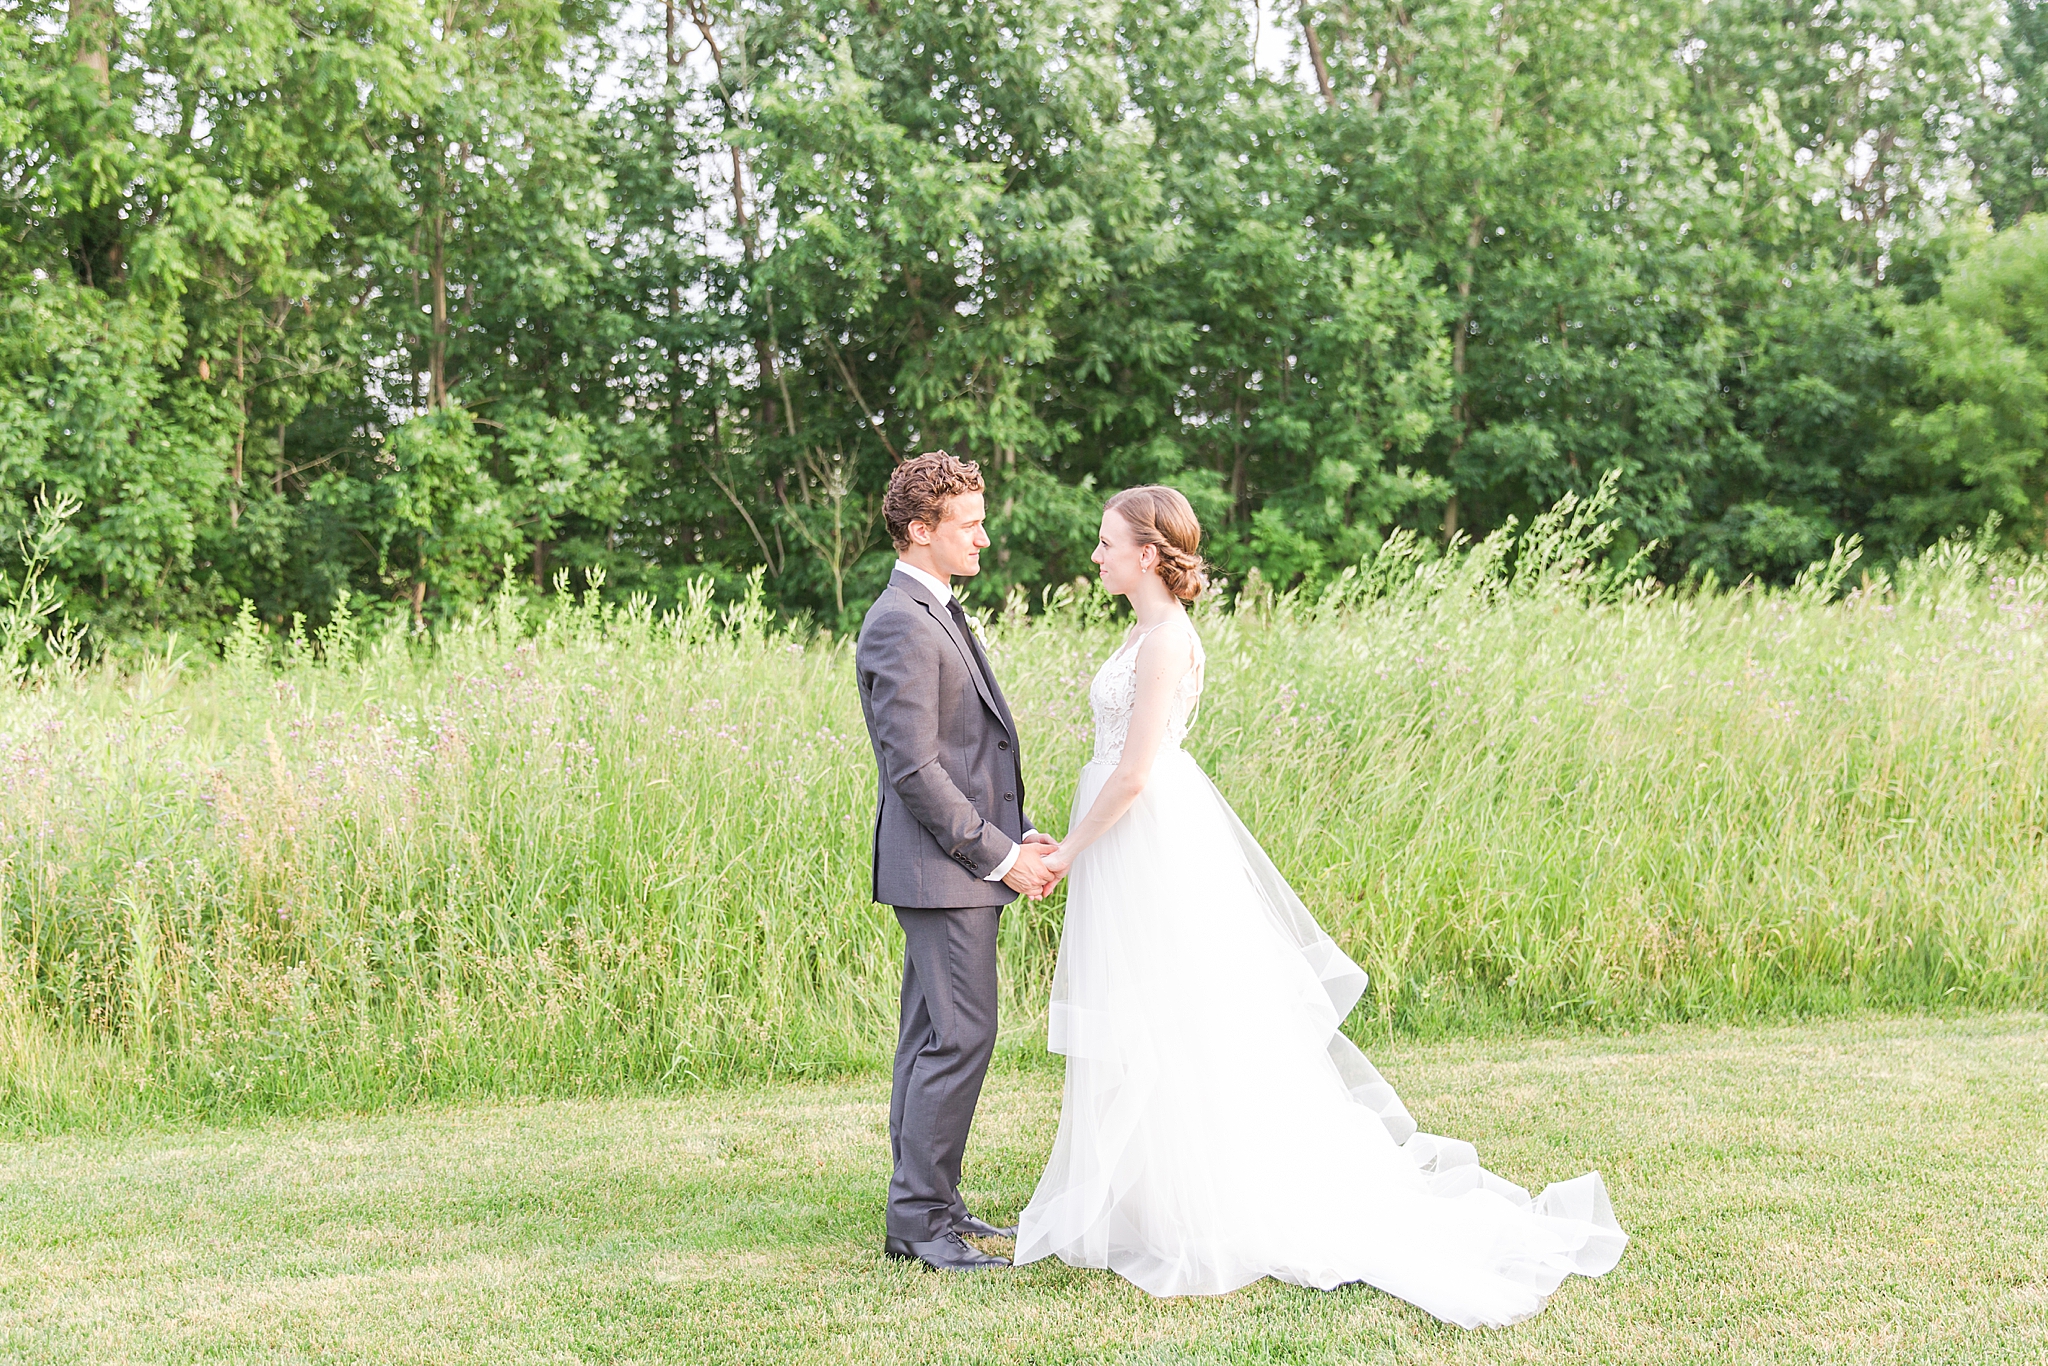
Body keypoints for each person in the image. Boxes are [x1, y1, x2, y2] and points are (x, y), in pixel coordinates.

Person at [1012, 485, 1628, 1327]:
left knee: (1180, 1010)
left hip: (1145, 831)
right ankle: (1149, 1193)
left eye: (1107, 542)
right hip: (1133, 838)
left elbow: (1136, 770)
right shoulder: (1140, 631)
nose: (1096, 555)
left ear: (1149, 553)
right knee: (1147, 1007)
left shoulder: (1167, 643)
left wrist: (1067, 856)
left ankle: (1213, 1200)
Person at [853, 451, 1060, 1273]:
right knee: (961, 1038)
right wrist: (998, 856)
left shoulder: (932, 607)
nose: (983, 534)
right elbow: (914, 769)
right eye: (968, 523)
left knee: (933, 1036)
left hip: (955, 863)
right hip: (947, 870)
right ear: (920, 530)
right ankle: (917, 1225)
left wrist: (1022, 832)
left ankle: (932, 1203)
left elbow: (969, 753)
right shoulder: (900, 619)